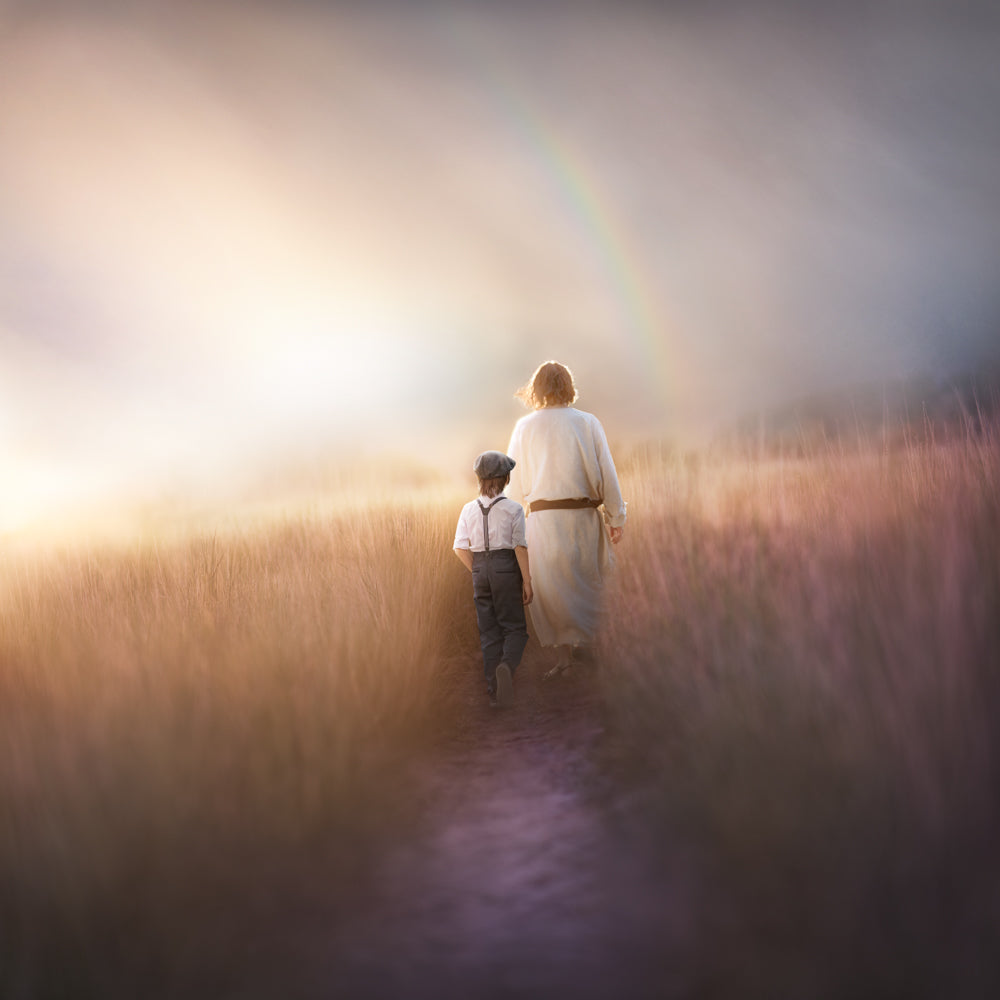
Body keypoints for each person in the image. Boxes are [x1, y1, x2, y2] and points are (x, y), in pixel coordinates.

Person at [506, 361, 626, 678]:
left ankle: (566, 661)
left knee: (553, 592)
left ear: (537, 389)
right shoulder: (588, 422)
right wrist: (616, 517)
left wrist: (513, 533)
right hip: (583, 519)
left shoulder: (524, 427)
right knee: (589, 584)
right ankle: (592, 654)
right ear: (568, 387)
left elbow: (514, 487)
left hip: (542, 524)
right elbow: (608, 474)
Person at [453, 450, 533, 707]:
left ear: (479, 480)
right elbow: (519, 546)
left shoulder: (467, 509)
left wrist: (477, 570)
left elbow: (459, 547)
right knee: (515, 628)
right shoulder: (514, 509)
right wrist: (527, 581)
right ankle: (506, 667)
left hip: (479, 568)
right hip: (505, 567)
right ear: (506, 479)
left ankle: (494, 693)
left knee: (489, 633)